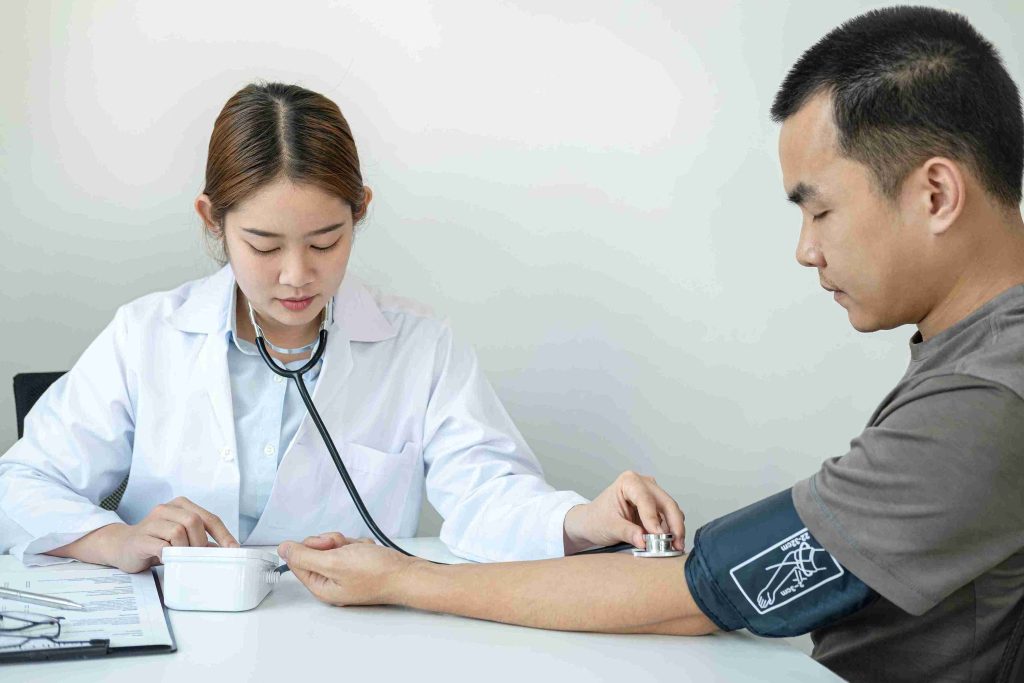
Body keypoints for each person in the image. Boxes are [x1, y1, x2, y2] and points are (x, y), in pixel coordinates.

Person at [273, 8, 1024, 682]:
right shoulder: (970, 352)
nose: (805, 249)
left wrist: (404, 579)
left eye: (820, 210)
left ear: (934, 194)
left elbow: (703, 591)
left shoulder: (989, 395)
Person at [0, 82, 685, 572]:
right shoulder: (145, 334)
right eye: (264, 246)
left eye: (326, 240)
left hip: (354, 644)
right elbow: (19, 485)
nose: (297, 274)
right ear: (212, 220)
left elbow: (487, 495)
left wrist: (585, 520)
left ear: (362, 211)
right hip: (180, 643)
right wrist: (110, 537)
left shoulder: (422, 346)